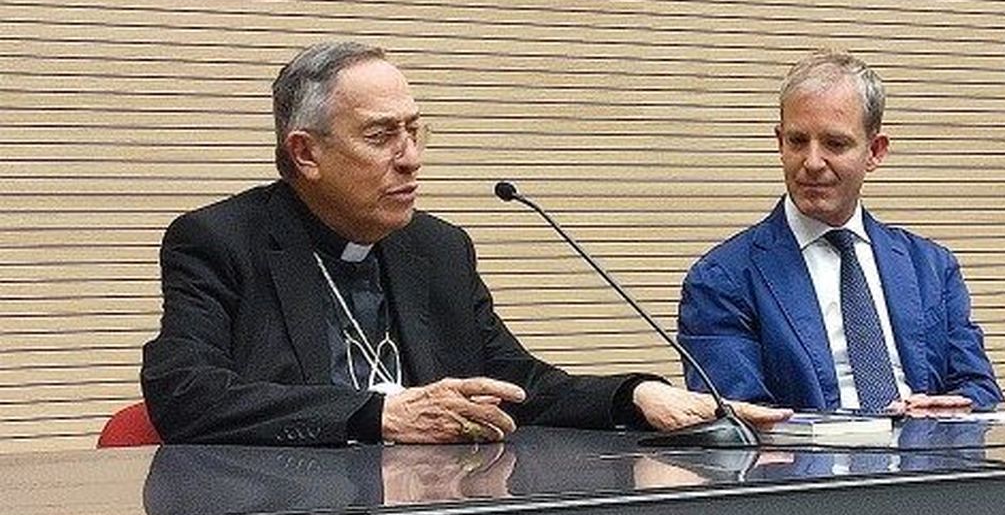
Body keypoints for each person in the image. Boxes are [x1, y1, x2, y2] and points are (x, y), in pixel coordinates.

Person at [142, 42, 785, 445]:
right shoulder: (221, 243)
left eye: (417, 131)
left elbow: (515, 380)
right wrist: (377, 416)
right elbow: (188, 396)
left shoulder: (437, 250)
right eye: (381, 136)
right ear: (306, 153)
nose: (411, 158)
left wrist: (636, 396)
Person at [676, 50, 1002, 413]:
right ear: (779, 143)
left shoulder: (931, 267)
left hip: (928, 460)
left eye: (835, 144)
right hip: (808, 468)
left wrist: (954, 408)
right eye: (797, 141)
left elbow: (979, 390)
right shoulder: (723, 279)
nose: (812, 163)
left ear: (875, 151)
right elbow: (740, 420)